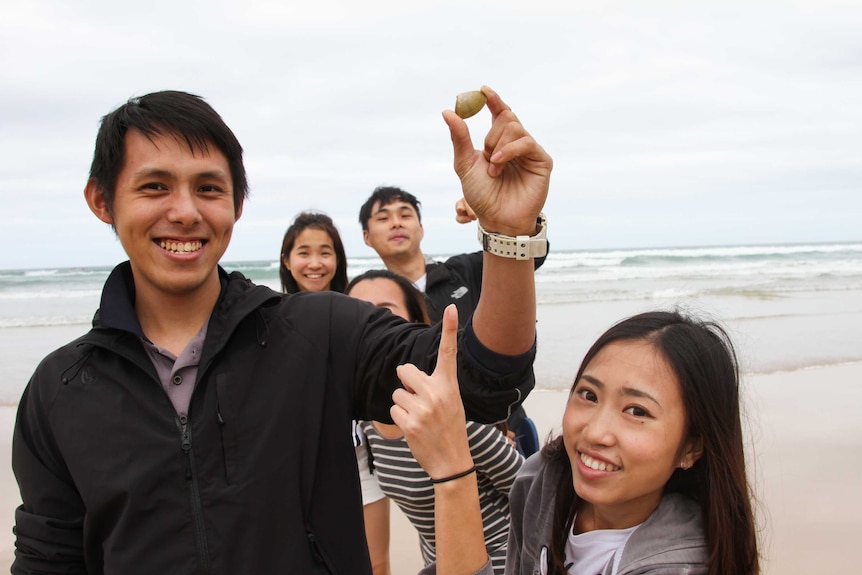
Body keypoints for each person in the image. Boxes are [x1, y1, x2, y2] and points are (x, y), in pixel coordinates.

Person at [11, 86, 552, 574]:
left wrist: (507, 234)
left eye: (208, 189)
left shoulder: (319, 331)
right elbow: (50, 558)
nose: (184, 212)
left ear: (237, 204)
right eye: (154, 187)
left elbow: (481, 380)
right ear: (102, 201)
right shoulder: (59, 390)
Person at [396, 310, 761, 575]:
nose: (596, 432)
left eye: (636, 411)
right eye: (588, 394)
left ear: (691, 447)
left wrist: (453, 474)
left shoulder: (682, 565)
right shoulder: (543, 481)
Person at [347, 269, 523, 575]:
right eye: (356, 317)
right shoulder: (365, 423)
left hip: (501, 561)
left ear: (416, 327)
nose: (367, 330)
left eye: (383, 315)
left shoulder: (451, 413)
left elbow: (528, 489)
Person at [358, 186, 546, 456]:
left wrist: (501, 217)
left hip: (507, 426)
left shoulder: (464, 271)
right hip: (431, 442)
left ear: (421, 228)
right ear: (367, 236)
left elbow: (530, 254)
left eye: (405, 215)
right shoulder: (368, 302)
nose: (396, 222)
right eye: (383, 218)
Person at [279, 210, 348, 293]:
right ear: (286, 261)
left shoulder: (356, 305)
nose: (315, 265)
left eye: (325, 253)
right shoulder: (274, 306)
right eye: (304, 253)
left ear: (337, 259)